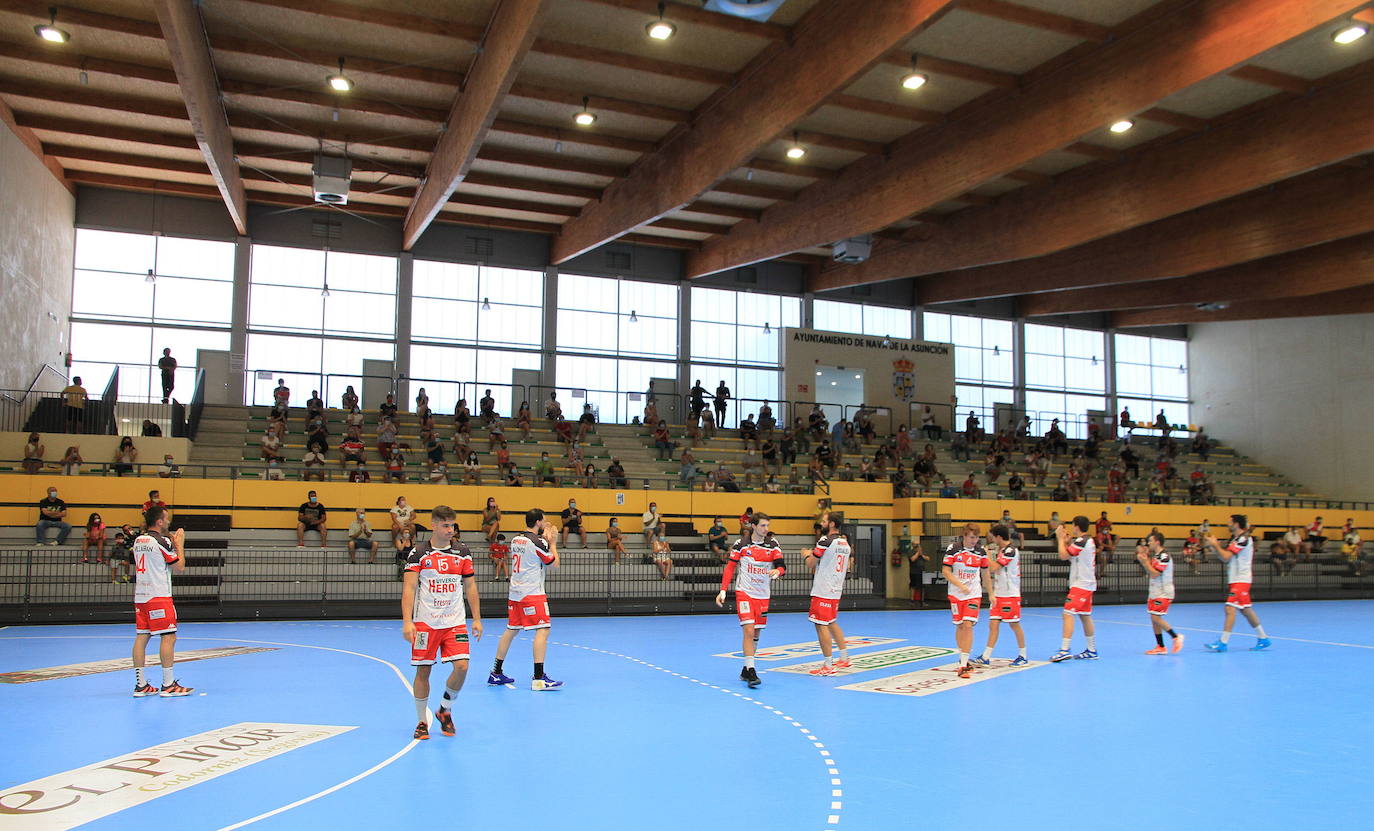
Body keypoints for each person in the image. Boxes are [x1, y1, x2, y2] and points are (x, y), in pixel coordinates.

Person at [402, 504, 482, 740]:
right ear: (434, 525)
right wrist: (408, 622)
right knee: (423, 671)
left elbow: (470, 586)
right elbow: (409, 587)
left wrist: (476, 618)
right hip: (426, 622)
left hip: (454, 622)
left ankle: (445, 710)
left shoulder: (462, 552)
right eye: (445, 525)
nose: (450, 530)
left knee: (462, 667)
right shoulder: (418, 553)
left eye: (452, 525)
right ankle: (421, 721)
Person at [487, 508, 563, 691]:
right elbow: (554, 565)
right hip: (532, 593)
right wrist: (552, 543)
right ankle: (539, 678)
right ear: (538, 522)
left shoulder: (516, 539)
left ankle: (495, 672)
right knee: (543, 630)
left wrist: (545, 540)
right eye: (543, 520)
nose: (545, 523)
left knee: (511, 630)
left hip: (515, 593)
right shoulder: (538, 542)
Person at [128, 506, 193, 697]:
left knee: (142, 637)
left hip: (141, 596)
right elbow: (179, 566)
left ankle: (141, 685)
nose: (168, 521)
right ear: (159, 521)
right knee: (169, 636)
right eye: (166, 519)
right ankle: (168, 684)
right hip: (159, 595)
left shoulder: (139, 540)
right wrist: (179, 543)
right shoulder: (161, 541)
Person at [715, 513, 785, 689]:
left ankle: (746, 669)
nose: (766, 529)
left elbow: (781, 565)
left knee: (756, 634)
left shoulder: (773, 544)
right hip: (745, 592)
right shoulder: (741, 544)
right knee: (748, 629)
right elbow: (730, 567)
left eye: (767, 525)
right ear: (753, 526)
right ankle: (752, 671)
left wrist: (778, 572)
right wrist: (723, 590)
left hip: (763, 595)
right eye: (762, 525)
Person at [1203, 515, 1272, 652]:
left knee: (1229, 608)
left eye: (1229, 522)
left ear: (1236, 524)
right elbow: (1225, 558)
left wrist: (1216, 544)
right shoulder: (1235, 540)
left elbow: (1226, 556)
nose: (1227, 524)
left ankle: (1223, 642)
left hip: (1241, 579)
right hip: (1235, 579)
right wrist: (1213, 547)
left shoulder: (1243, 539)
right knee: (1246, 610)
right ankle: (1263, 638)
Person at [805, 511, 853, 676]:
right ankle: (845, 658)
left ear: (832, 524)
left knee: (821, 625)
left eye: (825, 521)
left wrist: (806, 555)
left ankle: (828, 665)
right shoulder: (845, 543)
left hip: (823, 589)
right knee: (831, 622)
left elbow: (811, 563)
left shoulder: (825, 541)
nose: (822, 524)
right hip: (836, 588)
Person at [977, 524, 1029, 666]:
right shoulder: (1003, 550)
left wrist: (986, 554)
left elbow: (994, 567)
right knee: (993, 624)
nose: (992, 539)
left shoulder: (1011, 550)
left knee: (1014, 624)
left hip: (1010, 594)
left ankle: (1023, 655)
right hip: (999, 594)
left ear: (999, 537)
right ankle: (986, 656)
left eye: (993, 537)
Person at [1049, 516, 1099, 662]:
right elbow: (1073, 556)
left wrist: (1059, 539)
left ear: (1076, 526)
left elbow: (1063, 555)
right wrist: (1067, 542)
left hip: (1081, 584)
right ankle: (1091, 650)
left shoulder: (1082, 541)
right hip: (1086, 583)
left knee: (1067, 613)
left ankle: (1064, 649)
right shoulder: (1085, 541)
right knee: (1085, 616)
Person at [942, 523, 988, 679]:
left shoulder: (981, 552)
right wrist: (960, 585)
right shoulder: (953, 549)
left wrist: (992, 593)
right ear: (964, 536)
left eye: (976, 537)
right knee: (960, 626)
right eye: (971, 537)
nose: (974, 540)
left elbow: (986, 573)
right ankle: (964, 658)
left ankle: (962, 666)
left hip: (973, 594)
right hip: (956, 593)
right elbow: (946, 571)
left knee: (968, 625)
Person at [1136, 532, 1184, 655]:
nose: (1148, 543)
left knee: (1155, 617)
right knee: (1154, 619)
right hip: (1154, 592)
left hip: (1163, 592)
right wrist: (1144, 560)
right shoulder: (1156, 556)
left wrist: (1145, 562)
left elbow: (1155, 573)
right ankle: (1161, 646)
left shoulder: (1164, 556)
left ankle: (1175, 636)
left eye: (1150, 541)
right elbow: (1151, 571)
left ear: (1157, 541)